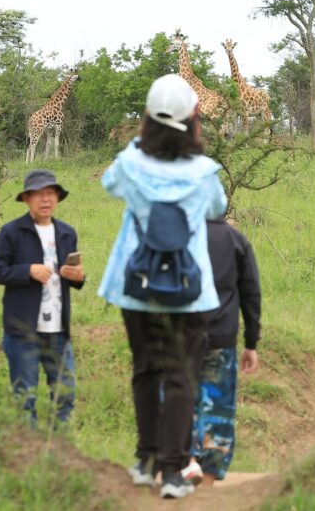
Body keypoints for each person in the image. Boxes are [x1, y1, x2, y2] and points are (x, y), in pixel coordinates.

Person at [98, 73, 227, 500]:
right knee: (181, 378)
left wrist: (139, 143)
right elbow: (217, 208)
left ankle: (145, 461)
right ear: (194, 117)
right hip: (189, 291)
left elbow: (109, 182)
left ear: (148, 118)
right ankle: (172, 473)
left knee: (145, 369)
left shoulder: (130, 164)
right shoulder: (204, 172)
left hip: (136, 286)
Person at [0, 169, 85, 427]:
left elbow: (73, 277)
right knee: (25, 398)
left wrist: (77, 276)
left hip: (59, 331)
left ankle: (58, 442)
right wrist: (27, 271)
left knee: (65, 393)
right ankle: (28, 446)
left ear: (57, 198)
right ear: (26, 199)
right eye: (39, 194)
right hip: (23, 330)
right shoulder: (11, 232)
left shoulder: (67, 233)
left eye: (50, 193)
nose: (45, 199)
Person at [183, 213, 261, 487]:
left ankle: (187, 462)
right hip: (221, 338)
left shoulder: (179, 236)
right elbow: (251, 293)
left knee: (181, 401)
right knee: (218, 409)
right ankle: (208, 482)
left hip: (182, 338)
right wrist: (251, 342)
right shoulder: (236, 240)